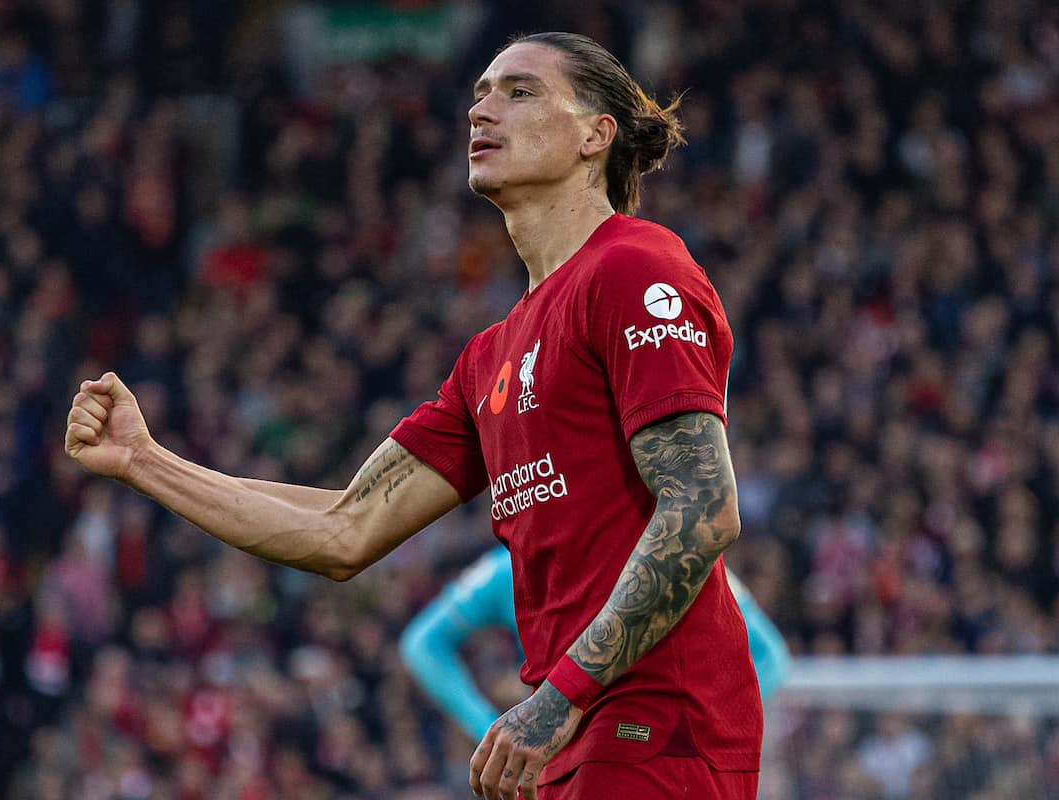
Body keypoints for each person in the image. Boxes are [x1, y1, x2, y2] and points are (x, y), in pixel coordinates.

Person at [67, 31, 761, 799]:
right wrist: (145, 461)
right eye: (479, 94)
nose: (482, 109)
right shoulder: (489, 357)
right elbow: (343, 527)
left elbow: (702, 505)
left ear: (596, 135)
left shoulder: (634, 267)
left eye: (519, 91)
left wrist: (560, 695)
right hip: (567, 737)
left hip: (656, 727)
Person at [398, 547, 789, 742]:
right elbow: (422, 645)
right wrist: (491, 728)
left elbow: (770, 657)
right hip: (565, 757)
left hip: (644, 753)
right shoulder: (512, 564)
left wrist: (695, 725)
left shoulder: (680, 549)